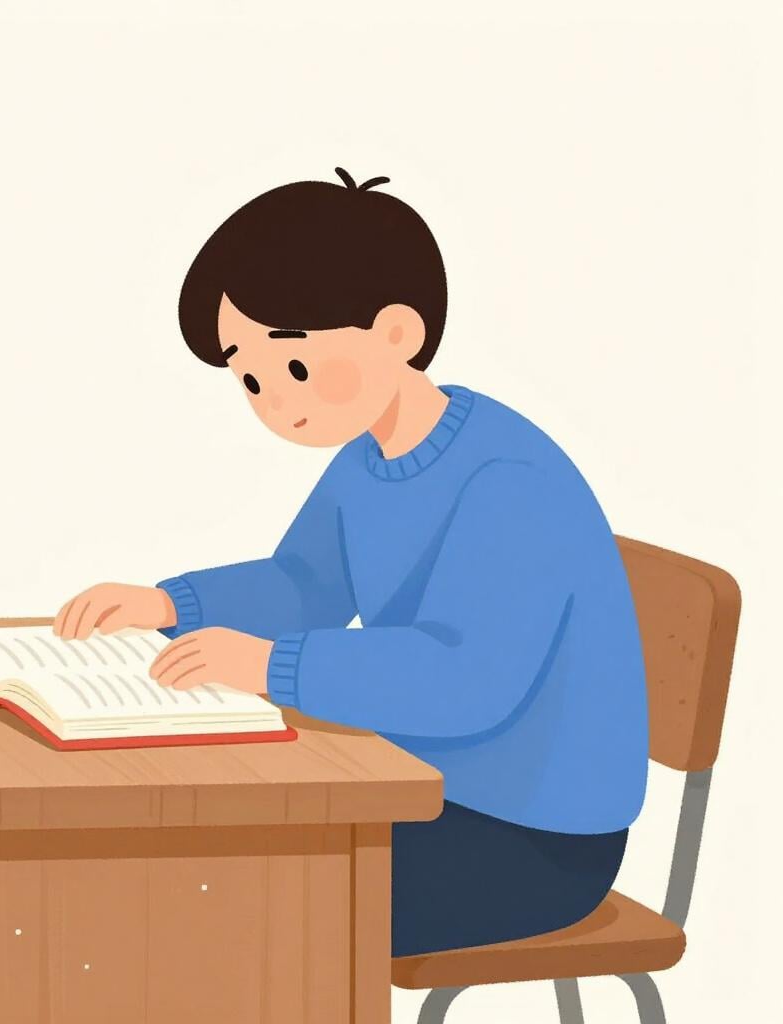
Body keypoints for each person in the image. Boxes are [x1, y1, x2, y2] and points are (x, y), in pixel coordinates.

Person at [52, 167, 649, 956]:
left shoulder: (510, 483)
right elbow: (304, 585)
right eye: (251, 377)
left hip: (529, 835)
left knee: (220, 910)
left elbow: (468, 680)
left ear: (397, 334)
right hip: (413, 786)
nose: (274, 400)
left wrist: (269, 666)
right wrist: (170, 606)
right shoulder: (369, 460)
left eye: (294, 366)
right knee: (175, 874)